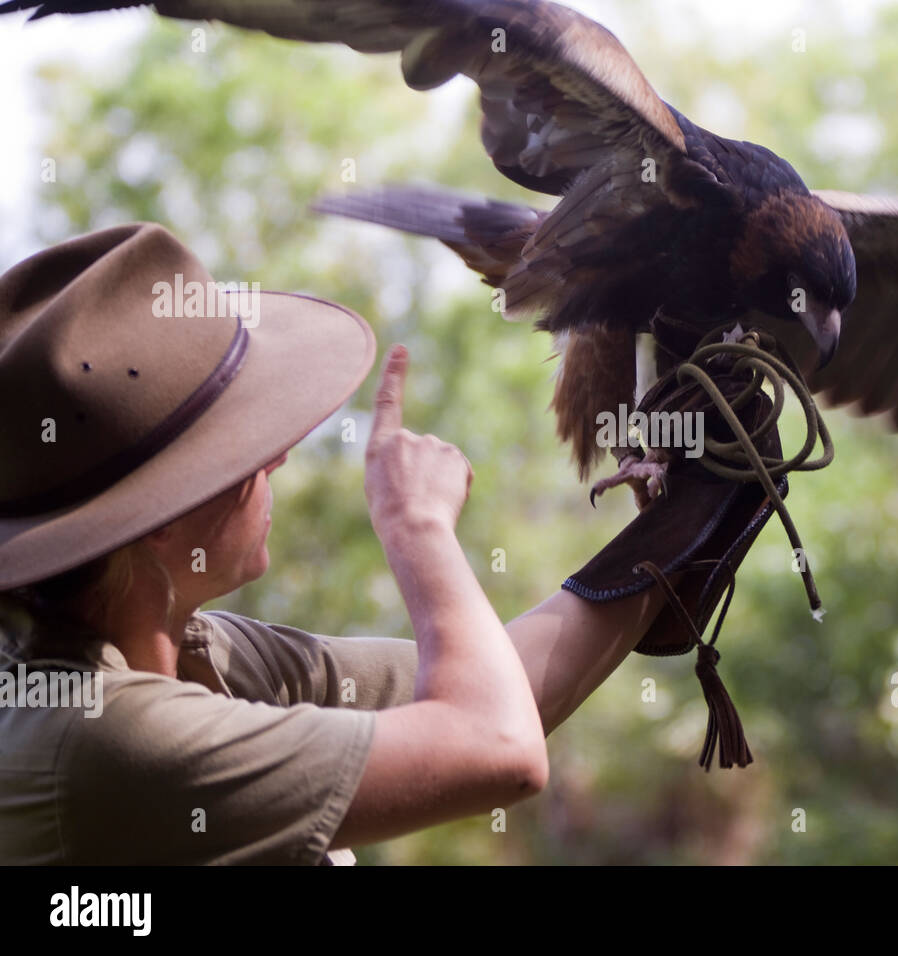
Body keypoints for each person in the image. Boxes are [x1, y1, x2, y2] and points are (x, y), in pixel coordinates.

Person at [0, 222, 676, 864]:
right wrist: (417, 527)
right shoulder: (104, 741)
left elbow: (504, 686)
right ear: (163, 516)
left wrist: (692, 507)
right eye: (240, 448)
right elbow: (496, 747)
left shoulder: (193, 652)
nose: (276, 461)